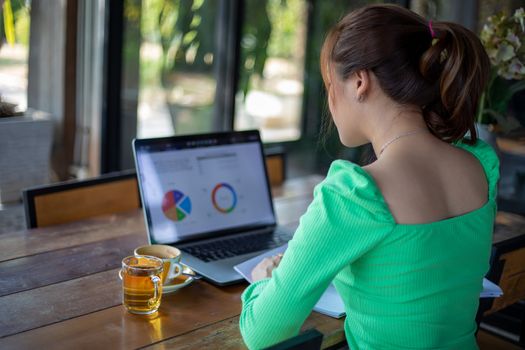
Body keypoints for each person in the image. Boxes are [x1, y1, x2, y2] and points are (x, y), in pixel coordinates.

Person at [239, 4, 499, 350]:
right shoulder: (481, 164)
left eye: (330, 84)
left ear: (360, 81)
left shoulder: (356, 194)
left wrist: (261, 280)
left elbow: (262, 334)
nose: (330, 100)